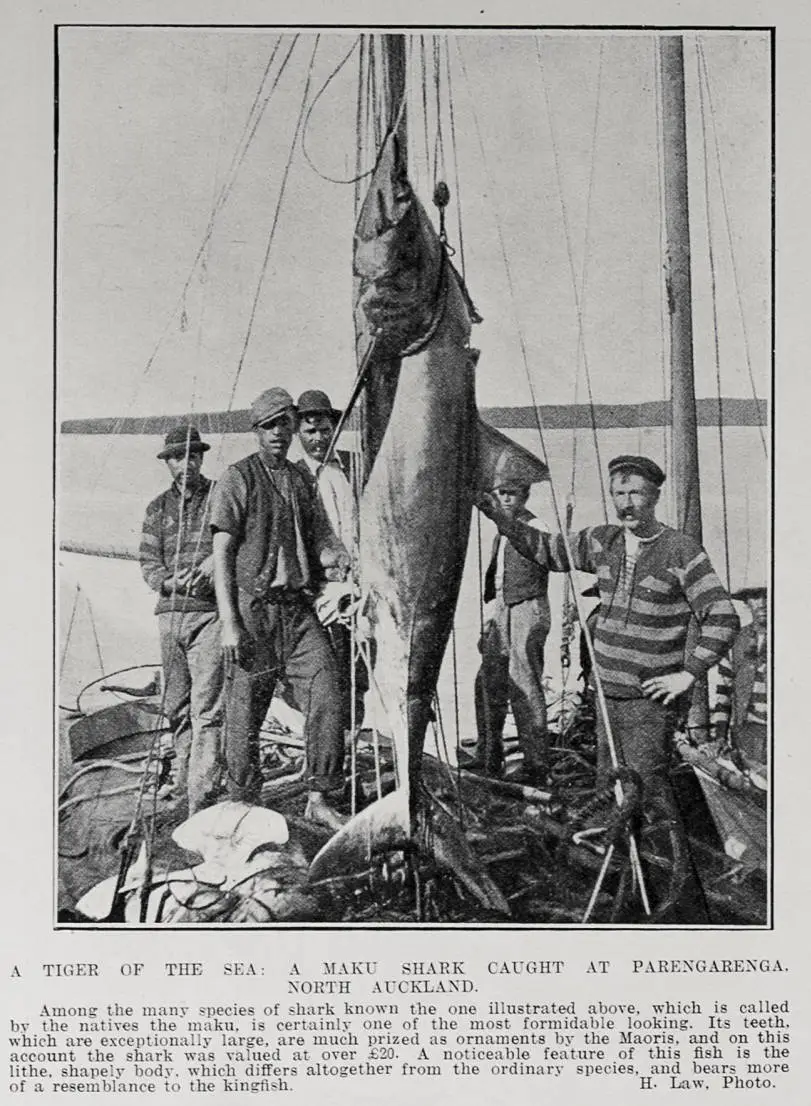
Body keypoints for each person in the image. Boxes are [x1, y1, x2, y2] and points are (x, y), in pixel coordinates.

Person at [478, 454, 739, 918]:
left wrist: (688, 673)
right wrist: (497, 514)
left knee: (647, 795)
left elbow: (722, 616)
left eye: (636, 493)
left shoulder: (682, 551)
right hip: (607, 695)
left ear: (655, 495)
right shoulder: (601, 541)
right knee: (610, 791)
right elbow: (545, 548)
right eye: (619, 494)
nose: (626, 504)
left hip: (648, 702)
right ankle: (619, 884)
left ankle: (670, 899)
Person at [210, 387, 351, 831]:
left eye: (284, 424)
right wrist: (230, 624)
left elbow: (322, 541)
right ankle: (243, 801)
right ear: (256, 431)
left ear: (293, 426)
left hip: (297, 611)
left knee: (327, 688)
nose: (278, 433)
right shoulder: (239, 478)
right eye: (268, 426)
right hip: (253, 613)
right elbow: (221, 556)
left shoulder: (299, 480)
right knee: (244, 710)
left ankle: (320, 796)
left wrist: (350, 569)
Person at [138, 425, 224, 814]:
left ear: (201, 458)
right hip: (171, 618)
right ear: (167, 462)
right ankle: (184, 779)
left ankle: (200, 799)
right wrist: (169, 581)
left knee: (207, 710)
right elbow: (148, 564)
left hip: (210, 616)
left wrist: (210, 567)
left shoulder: (221, 495)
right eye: (177, 457)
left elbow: (234, 545)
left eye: (192, 456)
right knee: (176, 707)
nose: (185, 464)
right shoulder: (156, 508)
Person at [465, 456, 550, 785]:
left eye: (512, 493)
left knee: (524, 683)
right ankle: (489, 754)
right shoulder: (499, 534)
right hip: (502, 607)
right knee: (487, 681)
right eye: (501, 493)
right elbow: (498, 581)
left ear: (525, 495)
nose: (506, 499)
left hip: (528, 607)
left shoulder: (537, 528)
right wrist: (489, 622)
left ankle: (536, 764)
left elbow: (542, 556)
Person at [293, 389, 367, 734]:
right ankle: (328, 751)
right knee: (325, 678)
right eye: (310, 431)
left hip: (362, 590)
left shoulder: (354, 466)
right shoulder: (295, 477)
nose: (319, 438)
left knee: (359, 676)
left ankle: (352, 741)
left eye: (324, 429)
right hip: (320, 594)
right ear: (298, 432)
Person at [711, 586, 768, 764]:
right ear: (746, 602)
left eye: (768, 596)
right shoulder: (735, 641)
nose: (763, 603)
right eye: (755, 597)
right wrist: (720, 735)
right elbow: (723, 693)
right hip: (747, 733)